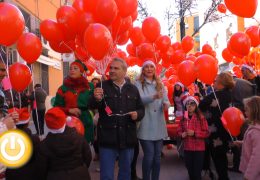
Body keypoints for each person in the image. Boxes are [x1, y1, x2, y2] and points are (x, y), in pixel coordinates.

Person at [90, 58, 145, 180]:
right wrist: (96, 99)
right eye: (111, 68)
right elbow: (91, 105)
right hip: (107, 138)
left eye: (116, 68)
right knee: (106, 175)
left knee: (125, 173)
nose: (112, 70)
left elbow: (141, 109)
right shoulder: (101, 86)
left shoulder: (133, 89)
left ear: (124, 71)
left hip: (127, 137)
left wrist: (137, 114)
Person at [134, 60, 170, 180]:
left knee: (157, 157)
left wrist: (166, 105)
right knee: (149, 156)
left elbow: (166, 100)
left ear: (155, 70)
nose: (149, 69)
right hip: (145, 124)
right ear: (143, 70)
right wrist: (153, 97)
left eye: (151, 67)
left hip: (159, 124)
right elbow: (138, 101)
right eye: (146, 67)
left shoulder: (160, 84)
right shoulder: (138, 84)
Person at [36, 107, 92, 180]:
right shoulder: (79, 138)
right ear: (64, 121)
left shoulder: (44, 145)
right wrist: (81, 168)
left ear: (48, 125)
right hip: (80, 175)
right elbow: (88, 157)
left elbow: (41, 169)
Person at [199, 72, 234, 180]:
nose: (214, 82)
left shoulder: (212, 96)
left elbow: (200, 106)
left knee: (218, 159)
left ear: (221, 83)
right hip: (228, 130)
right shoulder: (231, 94)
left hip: (215, 132)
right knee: (223, 157)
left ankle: (222, 177)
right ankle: (224, 176)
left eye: (216, 80)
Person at [54, 59, 94, 143]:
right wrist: (69, 110)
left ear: (81, 72)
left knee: (84, 150)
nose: (72, 70)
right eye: (70, 68)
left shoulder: (89, 86)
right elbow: (56, 107)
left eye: (75, 68)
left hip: (85, 122)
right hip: (68, 123)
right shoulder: (63, 88)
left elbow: (95, 104)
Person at [177, 96, 209, 180]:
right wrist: (181, 134)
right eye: (187, 104)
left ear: (196, 106)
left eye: (192, 104)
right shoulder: (183, 118)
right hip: (187, 148)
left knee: (196, 172)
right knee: (190, 171)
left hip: (199, 149)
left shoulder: (201, 118)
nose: (190, 106)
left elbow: (206, 133)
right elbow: (179, 131)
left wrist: (195, 133)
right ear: (185, 106)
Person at [5, 108, 40, 180]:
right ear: (27, 124)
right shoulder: (35, 139)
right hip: (32, 173)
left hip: (12, 174)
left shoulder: (6, 141)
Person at [239, 96, 260, 180]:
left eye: (247, 110)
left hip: (254, 175)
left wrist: (248, 176)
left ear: (254, 111)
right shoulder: (254, 127)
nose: (245, 112)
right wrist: (242, 143)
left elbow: (257, 157)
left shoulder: (256, 132)